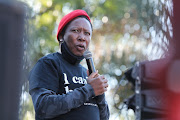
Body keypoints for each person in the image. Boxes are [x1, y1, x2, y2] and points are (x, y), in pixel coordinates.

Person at [29, 9, 110, 120]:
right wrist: (89, 89)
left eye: (87, 33)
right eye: (76, 30)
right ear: (62, 36)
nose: (82, 37)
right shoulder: (49, 63)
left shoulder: (86, 73)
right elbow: (43, 108)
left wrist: (99, 94)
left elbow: (104, 117)